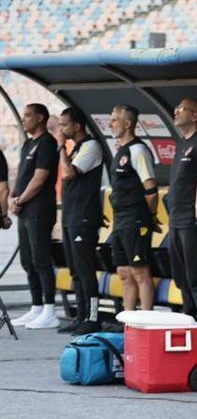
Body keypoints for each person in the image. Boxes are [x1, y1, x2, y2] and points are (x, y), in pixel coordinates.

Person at [55, 107, 105, 335]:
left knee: (85, 270)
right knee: (75, 270)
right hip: (71, 216)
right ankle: (81, 315)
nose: (61, 129)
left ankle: (93, 318)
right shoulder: (76, 148)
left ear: (76, 126)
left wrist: (60, 147)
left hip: (83, 217)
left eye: (64, 125)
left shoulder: (91, 146)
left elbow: (68, 174)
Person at [10, 104, 60, 329]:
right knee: (27, 260)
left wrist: (20, 200)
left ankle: (50, 310)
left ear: (40, 118)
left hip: (39, 210)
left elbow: (39, 179)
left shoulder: (47, 143)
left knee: (41, 260)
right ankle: (36, 306)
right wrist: (13, 196)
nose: (24, 119)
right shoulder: (28, 143)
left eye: (28, 115)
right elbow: (22, 173)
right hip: (24, 210)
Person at [108, 105, 158, 312]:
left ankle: (146, 320)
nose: (110, 124)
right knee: (124, 272)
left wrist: (149, 216)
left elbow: (151, 190)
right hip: (120, 219)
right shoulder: (120, 149)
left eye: (114, 120)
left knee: (140, 272)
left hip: (135, 219)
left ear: (128, 123)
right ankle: (128, 320)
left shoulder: (138, 150)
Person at [166, 98, 197, 322]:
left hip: (191, 220)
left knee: (195, 276)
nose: (176, 111)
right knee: (180, 276)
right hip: (175, 218)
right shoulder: (182, 142)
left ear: (195, 116)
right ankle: (188, 318)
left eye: (182, 109)